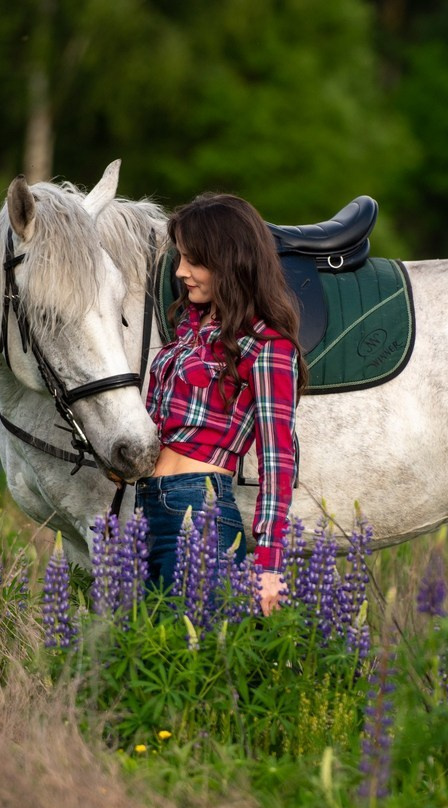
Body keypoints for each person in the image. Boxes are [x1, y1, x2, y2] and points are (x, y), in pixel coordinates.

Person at [136, 193, 308, 616]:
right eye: (180, 258)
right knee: (144, 643)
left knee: (195, 645)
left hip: (201, 507)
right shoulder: (188, 330)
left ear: (229, 263)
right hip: (147, 506)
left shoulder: (268, 345)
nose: (181, 271)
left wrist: (269, 563)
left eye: (194, 261)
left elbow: (277, 459)